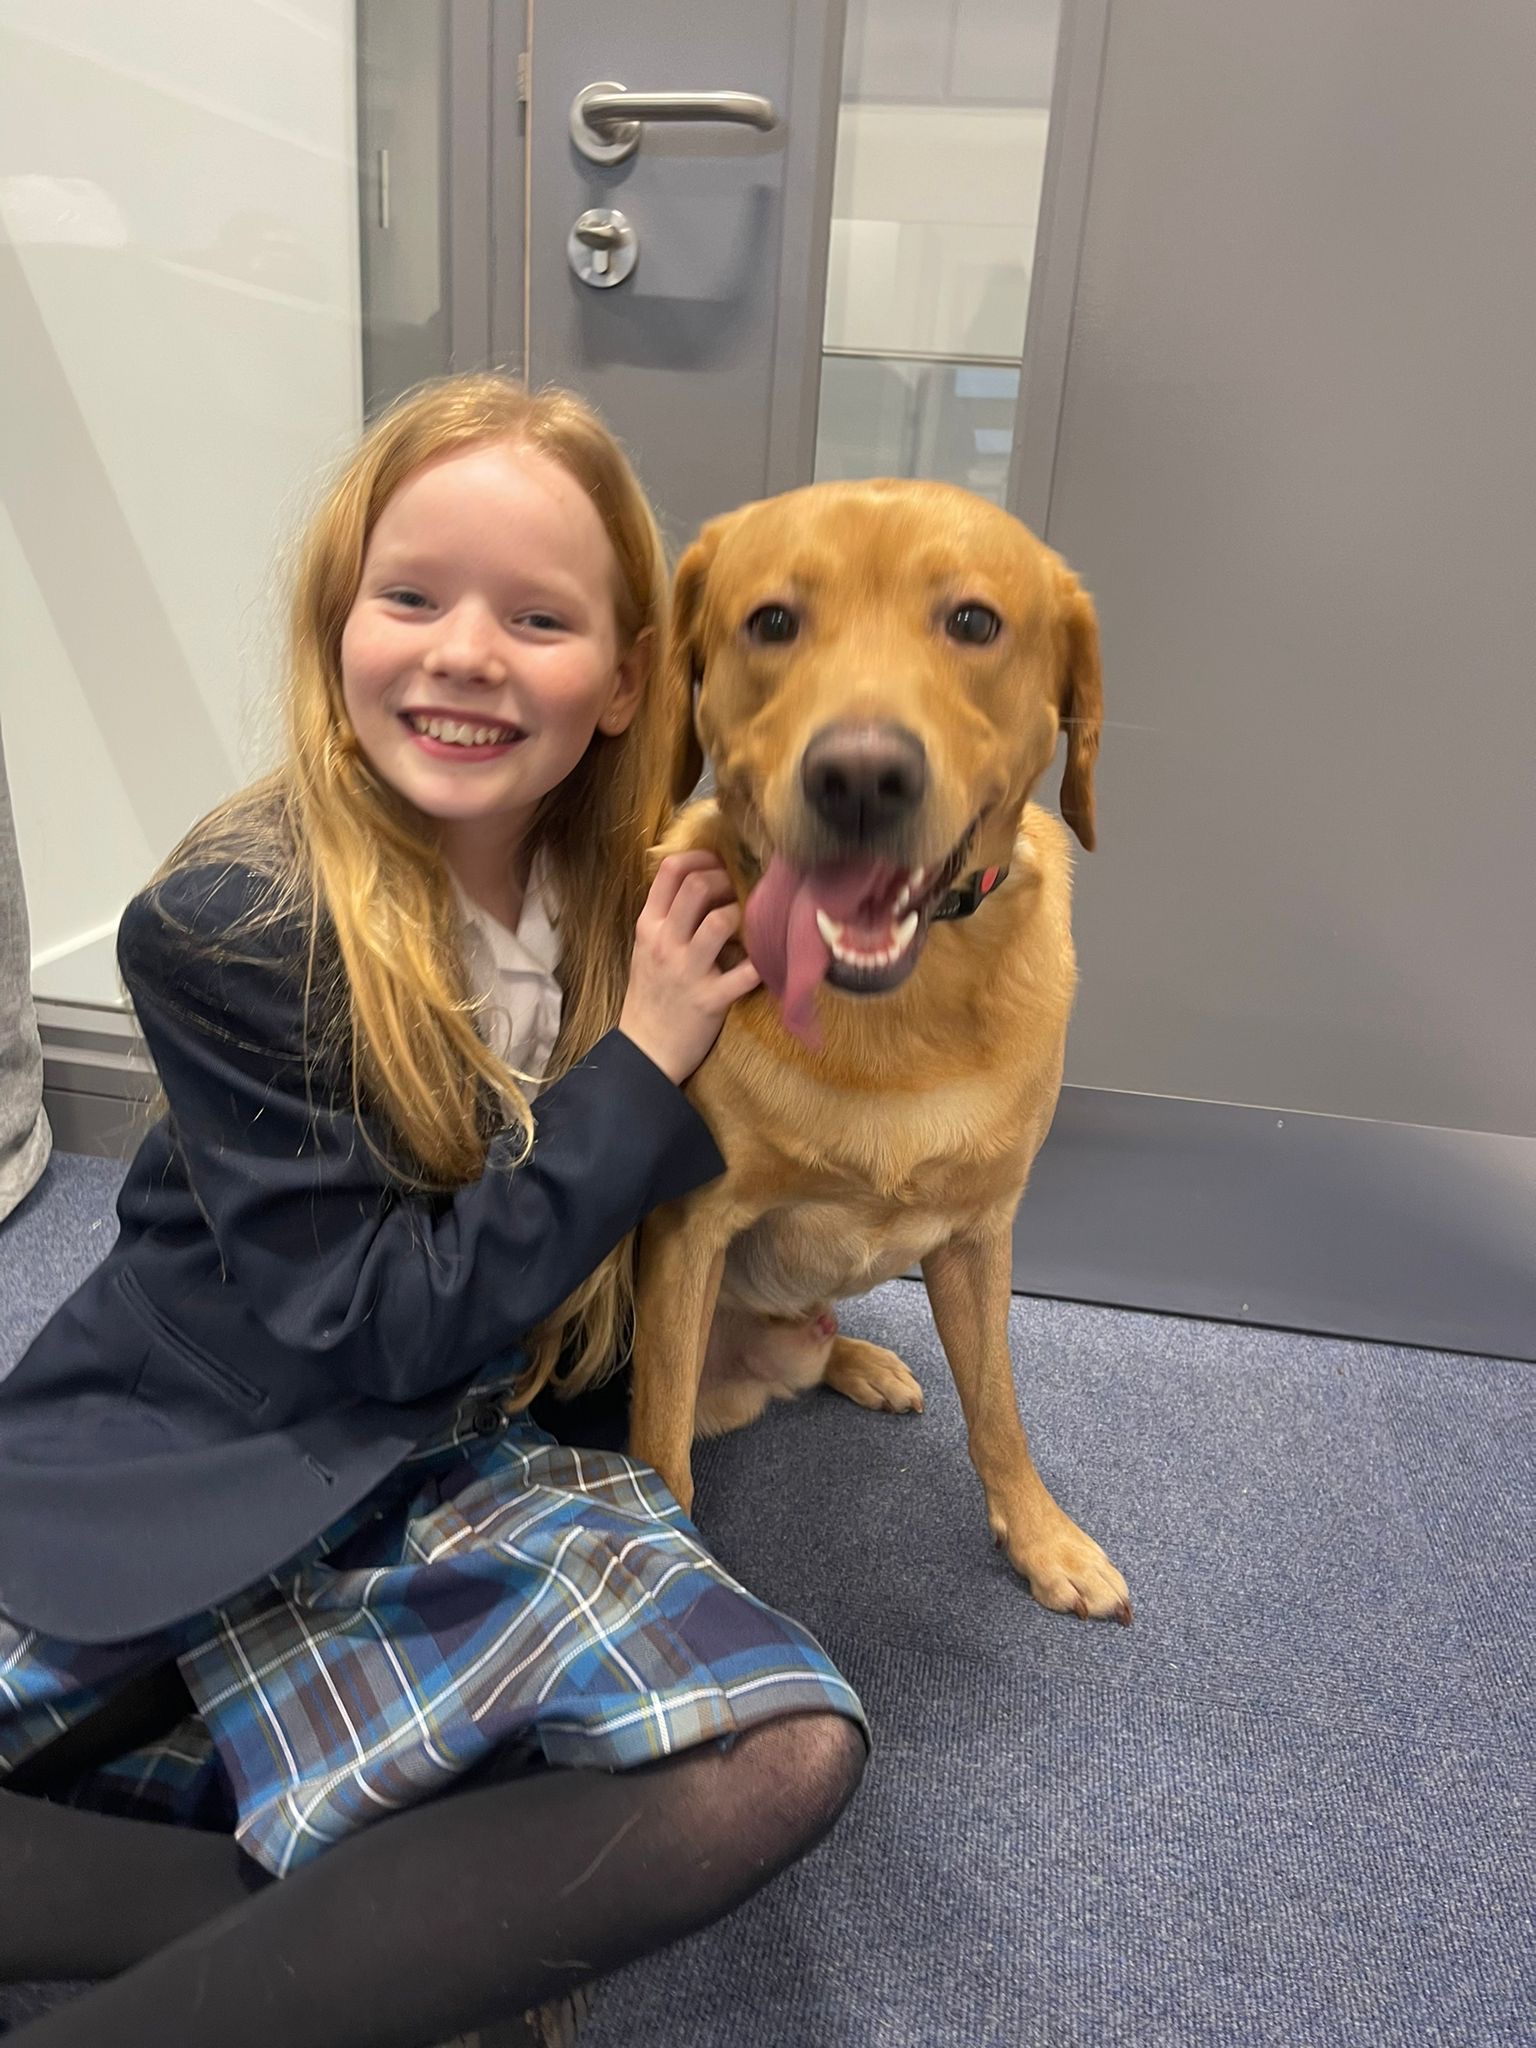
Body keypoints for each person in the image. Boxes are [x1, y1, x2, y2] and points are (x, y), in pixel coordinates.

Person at [0, 375, 867, 2048]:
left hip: (460, 1463)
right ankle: (314, 1924)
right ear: (340, 627)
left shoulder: (638, 901)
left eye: (537, 618)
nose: (466, 651)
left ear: (626, 686)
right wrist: (647, 1063)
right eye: (412, 597)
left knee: (780, 1746)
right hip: (209, 1440)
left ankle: (329, 1904)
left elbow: (830, 773)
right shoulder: (227, 918)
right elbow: (383, 1319)